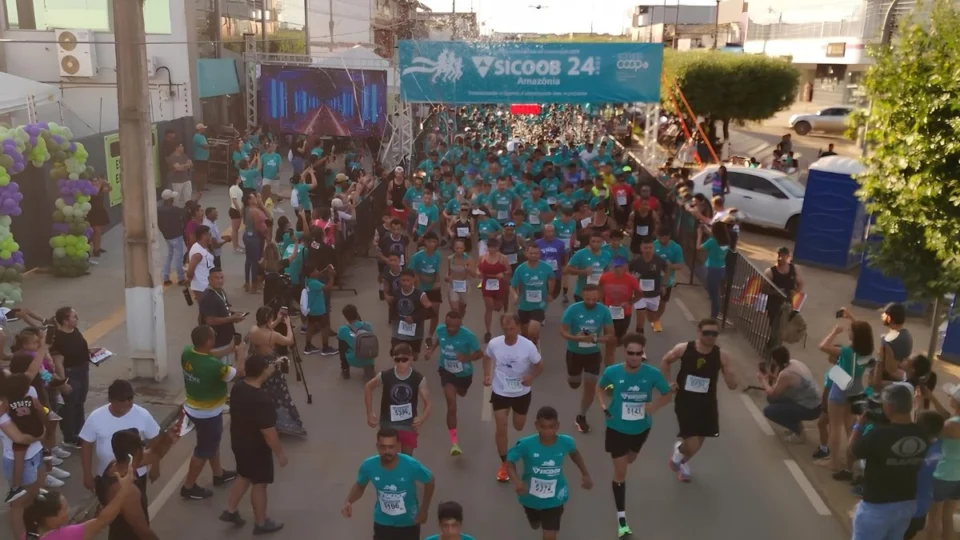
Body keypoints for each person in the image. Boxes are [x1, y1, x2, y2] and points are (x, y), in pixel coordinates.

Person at [596, 333, 672, 538]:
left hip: (641, 429)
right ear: (625, 353)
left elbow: (667, 393)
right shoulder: (612, 372)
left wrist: (654, 407)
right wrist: (603, 406)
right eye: (631, 353)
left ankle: (630, 456)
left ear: (643, 354)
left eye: (639, 354)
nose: (635, 357)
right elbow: (600, 387)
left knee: (631, 459)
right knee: (620, 473)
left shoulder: (652, 374)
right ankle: (622, 519)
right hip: (616, 429)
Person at [660, 318, 739, 482]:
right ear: (699, 332)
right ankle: (679, 452)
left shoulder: (721, 355)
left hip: (707, 403)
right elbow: (666, 361)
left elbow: (732, 384)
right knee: (692, 444)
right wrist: (668, 382)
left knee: (700, 441)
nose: (710, 337)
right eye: (706, 333)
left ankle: (681, 462)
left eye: (714, 334)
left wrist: (731, 377)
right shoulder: (683, 349)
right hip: (685, 401)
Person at [219, 356, 287, 534]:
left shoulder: (239, 387)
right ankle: (261, 522)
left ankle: (231, 509)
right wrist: (279, 453)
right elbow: (268, 432)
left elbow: (259, 373)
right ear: (263, 371)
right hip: (256, 448)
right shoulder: (262, 400)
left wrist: (273, 363)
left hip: (239, 442)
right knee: (260, 484)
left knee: (244, 475)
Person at [850, 384, 928, 540]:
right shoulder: (923, 433)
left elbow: (853, 451)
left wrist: (859, 425)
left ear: (889, 407)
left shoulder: (878, 434)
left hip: (877, 505)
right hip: (907, 505)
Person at [505, 406, 593, 540]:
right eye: (543, 427)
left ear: (557, 426)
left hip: (555, 497)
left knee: (550, 534)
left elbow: (574, 454)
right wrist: (517, 481)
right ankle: (534, 517)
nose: (547, 431)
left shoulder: (566, 442)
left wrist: (585, 474)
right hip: (530, 497)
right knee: (535, 522)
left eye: (551, 427)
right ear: (536, 426)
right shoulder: (526, 444)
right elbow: (509, 462)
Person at [179, 324, 242, 500]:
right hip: (208, 414)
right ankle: (188, 486)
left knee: (211, 443)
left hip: (192, 407)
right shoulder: (215, 367)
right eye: (213, 336)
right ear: (208, 341)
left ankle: (218, 474)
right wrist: (241, 352)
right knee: (204, 450)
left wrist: (229, 348)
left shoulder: (187, 352)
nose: (215, 338)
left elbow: (208, 354)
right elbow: (239, 373)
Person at [79, 380, 160, 510]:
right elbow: (86, 445)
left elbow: (155, 440)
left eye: (130, 399)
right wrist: (87, 474)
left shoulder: (142, 414)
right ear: (111, 400)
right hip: (107, 477)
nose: (127, 404)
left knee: (138, 510)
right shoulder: (96, 417)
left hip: (136, 475)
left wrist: (155, 466)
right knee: (111, 511)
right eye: (122, 401)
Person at [342, 427, 436, 540]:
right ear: (377, 446)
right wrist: (349, 501)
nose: (387, 451)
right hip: (382, 522)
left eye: (391, 447)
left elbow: (430, 480)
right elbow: (360, 485)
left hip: (408, 523)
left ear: (398, 446)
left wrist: (424, 510)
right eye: (383, 447)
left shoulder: (411, 465)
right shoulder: (368, 465)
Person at [484, 313, 543, 483]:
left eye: (512, 329)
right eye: (505, 329)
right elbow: (487, 357)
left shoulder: (528, 346)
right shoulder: (495, 343)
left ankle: (518, 448)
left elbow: (540, 365)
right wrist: (487, 375)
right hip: (500, 391)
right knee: (501, 427)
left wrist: (531, 376)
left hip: (521, 392)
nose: (509, 332)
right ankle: (505, 463)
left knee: (518, 426)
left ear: (517, 328)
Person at [99, 420, 181, 540]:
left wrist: (168, 438)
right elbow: (143, 532)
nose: (144, 449)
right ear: (137, 452)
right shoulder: (127, 491)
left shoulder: (115, 465)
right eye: (142, 446)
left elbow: (155, 454)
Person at [819, 318, 874, 477]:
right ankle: (851, 458)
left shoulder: (847, 352)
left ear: (856, 336)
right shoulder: (867, 352)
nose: (848, 332)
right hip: (856, 389)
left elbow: (822, 346)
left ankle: (834, 461)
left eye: (850, 331)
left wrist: (834, 332)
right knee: (850, 426)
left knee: (835, 426)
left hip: (841, 386)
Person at [22, 466, 136, 540]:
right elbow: (103, 520)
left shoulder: (28, 534)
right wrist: (124, 489)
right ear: (51, 517)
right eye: (64, 509)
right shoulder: (67, 535)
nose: (68, 511)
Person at [424, 310, 482, 457]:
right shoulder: (440, 329)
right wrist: (431, 350)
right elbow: (438, 340)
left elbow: (479, 353)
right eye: (448, 325)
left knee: (462, 393)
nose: (450, 329)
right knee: (452, 405)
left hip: (464, 374)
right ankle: (454, 443)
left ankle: (460, 389)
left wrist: (466, 357)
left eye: (454, 326)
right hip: (446, 371)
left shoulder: (468, 336)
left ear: (460, 325)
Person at [559, 284, 614, 434]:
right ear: (583, 296)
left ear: (599, 297)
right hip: (574, 353)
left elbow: (610, 335)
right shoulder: (573, 309)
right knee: (574, 383)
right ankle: (572, 377)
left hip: (593, 354)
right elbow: (562, 330)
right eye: (588, 299)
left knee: (590, 386)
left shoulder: (604, 311)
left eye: (594, 299)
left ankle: (581, 416)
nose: (591, 302)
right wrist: (575, 338)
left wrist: (595, 339)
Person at [364, 343, 431, 456]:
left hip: (408, 424)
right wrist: (369, 413)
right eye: (397, 360)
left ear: (411, 358)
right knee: (387, 456)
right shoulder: (385, 375)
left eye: (404, 360)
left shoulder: (418, 379)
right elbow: (368, 387)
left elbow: (428, 403)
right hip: (388, 423)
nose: (400, 363)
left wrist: (422, 418)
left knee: (407, 458)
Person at [247, 307, 305, 436]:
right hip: (272, 366)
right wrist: (288, 325)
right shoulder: (272, 335)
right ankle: (283, 423)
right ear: (268, 318)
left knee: (264, 394)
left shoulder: (254, 330)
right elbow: (289, 340)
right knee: (279, 395)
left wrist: (279, 319)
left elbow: (267, 328)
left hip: (259, 364)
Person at [757, 346, 822, 442]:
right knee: (772, 400)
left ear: (775, 360)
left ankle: (798, 433)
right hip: (814, 403)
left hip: (810, 408)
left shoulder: (786, 374)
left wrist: (762, 380)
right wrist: (772, 377)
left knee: (769, 411)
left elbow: (773, 393)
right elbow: (789, 381)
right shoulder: (795, 363)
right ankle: (795, 422)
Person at [922, 383, 960, 540]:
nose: (950, 396)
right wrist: (932, 398)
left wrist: (920, 406)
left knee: (934, 518)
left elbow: (930, 432)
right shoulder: (953, 421)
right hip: (957, 476)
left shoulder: (951, 425)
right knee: (947, 518)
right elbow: (947, 417)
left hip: (942, 475)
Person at [49, 307, 90, 451]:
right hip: (70, 374)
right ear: (65, 321)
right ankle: (70, 437)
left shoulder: (75, 331)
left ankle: (81, 432)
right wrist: (63, 382)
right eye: (74, 316)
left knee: (80, 402)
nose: (76, 318)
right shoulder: (58, 339)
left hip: (82, 370)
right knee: (69, 407)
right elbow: (58, 363)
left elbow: (81, 348)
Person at [598, 257, 641, 368]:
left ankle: (614, 351)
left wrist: (629, 302)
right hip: (609, 313)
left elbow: (639, 294)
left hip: (624, 314)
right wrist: (601, 304)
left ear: (626, 267)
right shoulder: (604, 277)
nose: (618, 269)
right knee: (610, 340)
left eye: (620, 267)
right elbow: (600, 291)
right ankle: (609, 368)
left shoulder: (631, 280)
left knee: (618, 341)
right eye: (615, 267)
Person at [510, 244, 556, 346]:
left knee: (533, 331)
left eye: (536, 253)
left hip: (539, 305)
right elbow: (513, 286)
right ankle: (528, 349)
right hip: (524, 305)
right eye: (531, 253)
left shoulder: (546, 267)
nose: (533, 255)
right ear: (526, 254)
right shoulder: (520, 269)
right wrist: (515, 296)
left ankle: (535, 347)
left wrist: (550, 293)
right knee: (525, 334)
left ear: (540, 254)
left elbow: (552, 278)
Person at [198, 268, 245, 364]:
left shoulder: (220, 291)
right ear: (209, 279)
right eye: (216, 278)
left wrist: (234, 315)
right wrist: (231, 318)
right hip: (217, 341)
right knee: (221, 368)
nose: (220, 280)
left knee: (228, 365)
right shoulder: (208, 297)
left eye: (221, 278)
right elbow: (210, 320)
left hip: (226, 337)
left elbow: (223, 310)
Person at [388, 269, 432, 363]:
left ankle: (410, 360)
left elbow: (429, 311)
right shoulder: (396, 292)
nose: (405, 283)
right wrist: (391, 318)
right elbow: (392, 305)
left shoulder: (420, 294)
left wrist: (414, 318)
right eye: (403, 280)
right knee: (396, 349)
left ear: (414, 280)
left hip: (415, 329)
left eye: (408, 280)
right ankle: (402, 368)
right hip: (399, 325)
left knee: (414, 355)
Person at [302, 264, 337, 356]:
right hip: (319, 309)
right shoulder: (315, 283)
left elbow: (317, 275)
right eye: (316, 270)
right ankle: (325, 348)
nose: (318, 272)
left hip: (311, 310)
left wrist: (325, 269)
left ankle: (308, 346)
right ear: (311, 273)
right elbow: (327, 288)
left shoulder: (308, 280)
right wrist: (331, 277)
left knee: (311, 326)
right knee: (324, 328)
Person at [699, 222, 730, 319]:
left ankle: (713, 317)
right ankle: (715, 314)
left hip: (712, 270)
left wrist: (699, 235)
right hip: (722, 268)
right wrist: (706, 229)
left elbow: (698, 248)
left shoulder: (712, 241)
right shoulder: (726, 240)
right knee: (715, 293)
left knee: (714, 296)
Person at [337, 304, 376, 380]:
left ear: (345, 317)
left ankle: (345, 369)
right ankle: (370, 367)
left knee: (342, 344)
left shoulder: (343, 329)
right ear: (357, 313)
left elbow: (342, 347)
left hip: (353, 359)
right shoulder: (368, 325)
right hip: (369, 357)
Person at [157, 189, 186, 286]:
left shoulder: (158, 210)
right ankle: (181, 278)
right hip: (176, 235)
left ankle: (165, 277)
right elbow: (185, 212)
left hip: (167, 237)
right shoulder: (175, 210)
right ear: (170, 199)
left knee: (169, 256)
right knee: (178, 257)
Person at [186, 225, 216, 302]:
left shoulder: (203, 248)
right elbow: (190, 272)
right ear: (202, 235)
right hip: (201, 286)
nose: (210, 236)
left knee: (205, 311)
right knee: (207, 310)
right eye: (207, 234)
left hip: (206, 284)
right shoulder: (198, 253)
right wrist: (193, 282)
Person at [87, 176, 111, 259]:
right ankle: (93, 250)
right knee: (95, 231)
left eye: (97, 180)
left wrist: (106, 183)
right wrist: (100, 184)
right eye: (94, 180)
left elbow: (109, 189)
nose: (96, 182)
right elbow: (95, 193)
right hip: (92, 213)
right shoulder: (89, 190)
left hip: (99, 211)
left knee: (99, 231)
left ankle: (97, 247)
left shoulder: (100, 188)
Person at [192, 123, 210, 192]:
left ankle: (202, 187)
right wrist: (212, 145)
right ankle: (199, 188)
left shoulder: (202, 136)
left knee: (204, 173)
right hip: (199, 158)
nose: (205, 130)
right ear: (200, 129)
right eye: (203, 129)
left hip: (204, 158)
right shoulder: (197, 136)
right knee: (200, 173)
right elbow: (204, 146)